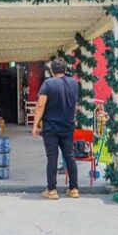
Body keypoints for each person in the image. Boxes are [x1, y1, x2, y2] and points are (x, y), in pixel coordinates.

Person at [32, 58, 80, 200]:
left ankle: (52, 190)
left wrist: (35, 125)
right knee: (70, 157)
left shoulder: (48, 83)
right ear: (65, 69)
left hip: (51, 127)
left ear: (52, 71)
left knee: (52, 157)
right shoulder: (74, 83)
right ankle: (74, 189)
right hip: (68, 125)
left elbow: (40, 105)